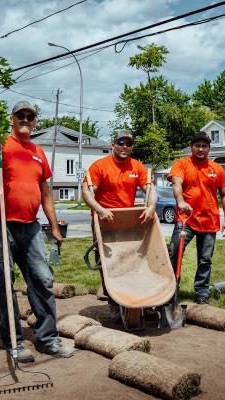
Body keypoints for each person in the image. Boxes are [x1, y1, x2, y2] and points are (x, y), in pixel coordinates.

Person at [0, 100, 74, 361]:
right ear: (12, 119)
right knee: (2, 281)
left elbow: (45, 192)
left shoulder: (38, 152)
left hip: (30, 226)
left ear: (35, 122)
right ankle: (14, 341)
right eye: (20, 115)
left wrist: (54, 227)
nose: (25, 119)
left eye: (30, 116)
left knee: (43, 279)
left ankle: (48, 340)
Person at [82, 129, 156, 321]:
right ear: (113, 144)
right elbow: (87, 193)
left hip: (128, 221)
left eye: (128, 143)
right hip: (104, 221)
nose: (124, 146)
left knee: (132, 260)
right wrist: (100, 210)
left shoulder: (137, 167)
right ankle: (114, 303)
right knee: (107, 263)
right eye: (121, 142)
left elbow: (150, 188)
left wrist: (151, 206)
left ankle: (137, 300)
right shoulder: (99, 167)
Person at [167, 131, 225, 304]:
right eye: (197, 145)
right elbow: (176, 183)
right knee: (174, 251)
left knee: (205, 259)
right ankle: (169, 289)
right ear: (191, 147)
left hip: (209, 221)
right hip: (186, 219)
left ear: (209, 148)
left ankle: (202, 292)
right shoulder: (182, 164)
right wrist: (180, 201)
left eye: (204, 146)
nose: (201, 149)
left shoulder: (216, 169)